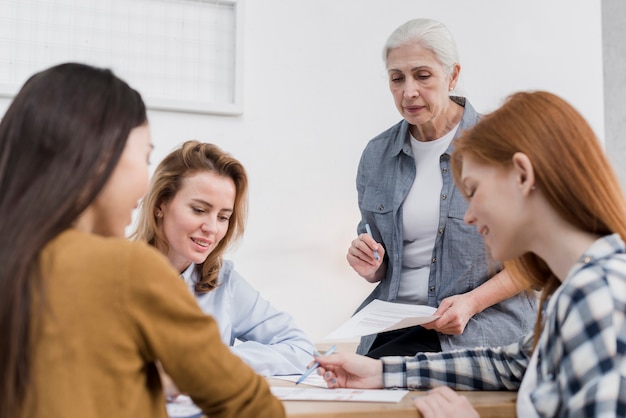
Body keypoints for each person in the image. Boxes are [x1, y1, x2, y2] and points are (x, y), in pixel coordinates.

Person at [316, 90, 626, 417]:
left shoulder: (598, 295)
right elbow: (514, 365)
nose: (468, 216)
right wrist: (382, 373)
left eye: (474, 192)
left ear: (523, 175)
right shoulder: (574, 290)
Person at [0, 63, 284, 418]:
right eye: (145, 156)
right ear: (101, 157)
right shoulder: (127, 268)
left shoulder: (18, 259)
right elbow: (253, 407)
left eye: (224, 216)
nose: (145, 183)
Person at [348, 17, 537, 358]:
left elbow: (533, 260)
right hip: (392, 323)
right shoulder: (377, 155)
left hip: (478, 324)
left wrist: (470, 303)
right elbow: (384, 263)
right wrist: (373, 265)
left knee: (369, 380)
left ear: (452, 76)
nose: (409, 92)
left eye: (422, 75)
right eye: (397, 78)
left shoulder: (499, 147)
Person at [131, 140, 316, 377]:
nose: (212, 228)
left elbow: (300, 349)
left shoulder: (222, 281)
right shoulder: (110, 273)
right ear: (160, 205)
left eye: (223, 217)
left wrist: (211, 358)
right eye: (199, 210)